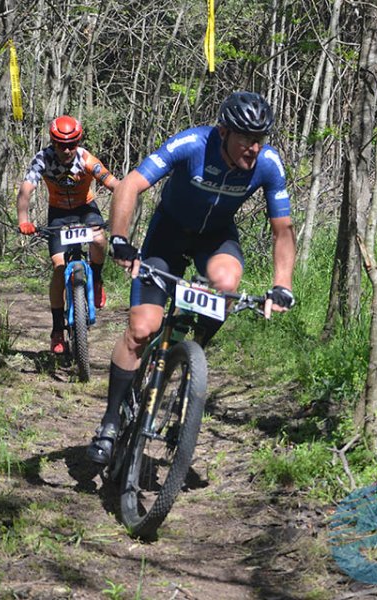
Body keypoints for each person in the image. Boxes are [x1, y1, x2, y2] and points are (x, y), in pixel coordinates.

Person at [86, 91, 296, 465]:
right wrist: (119, 239)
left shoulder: (269, 164)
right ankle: (109, 421)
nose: (253, 148)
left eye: (259, 139)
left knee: (227, 283)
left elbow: (283, 230)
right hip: (166, 236)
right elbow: (131, 184)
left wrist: (283, 285)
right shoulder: (192, 144)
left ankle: (190, 356)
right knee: (141, 329)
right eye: (245, 138)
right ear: (223, 132)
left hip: (215, 238)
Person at [17, 115, 119, 355]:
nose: (66, 150)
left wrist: (123, 208)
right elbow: (25, 190)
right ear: (53, 142)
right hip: (59, 214)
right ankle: (56, 330)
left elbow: (114, 184)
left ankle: (96, 277)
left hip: (86, 210)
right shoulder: (43, 159)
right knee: (59, 268)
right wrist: (24, 221)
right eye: (61, 145)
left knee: (99, 239)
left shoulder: (86, 160)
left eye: (72, 144)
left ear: (78, 141)